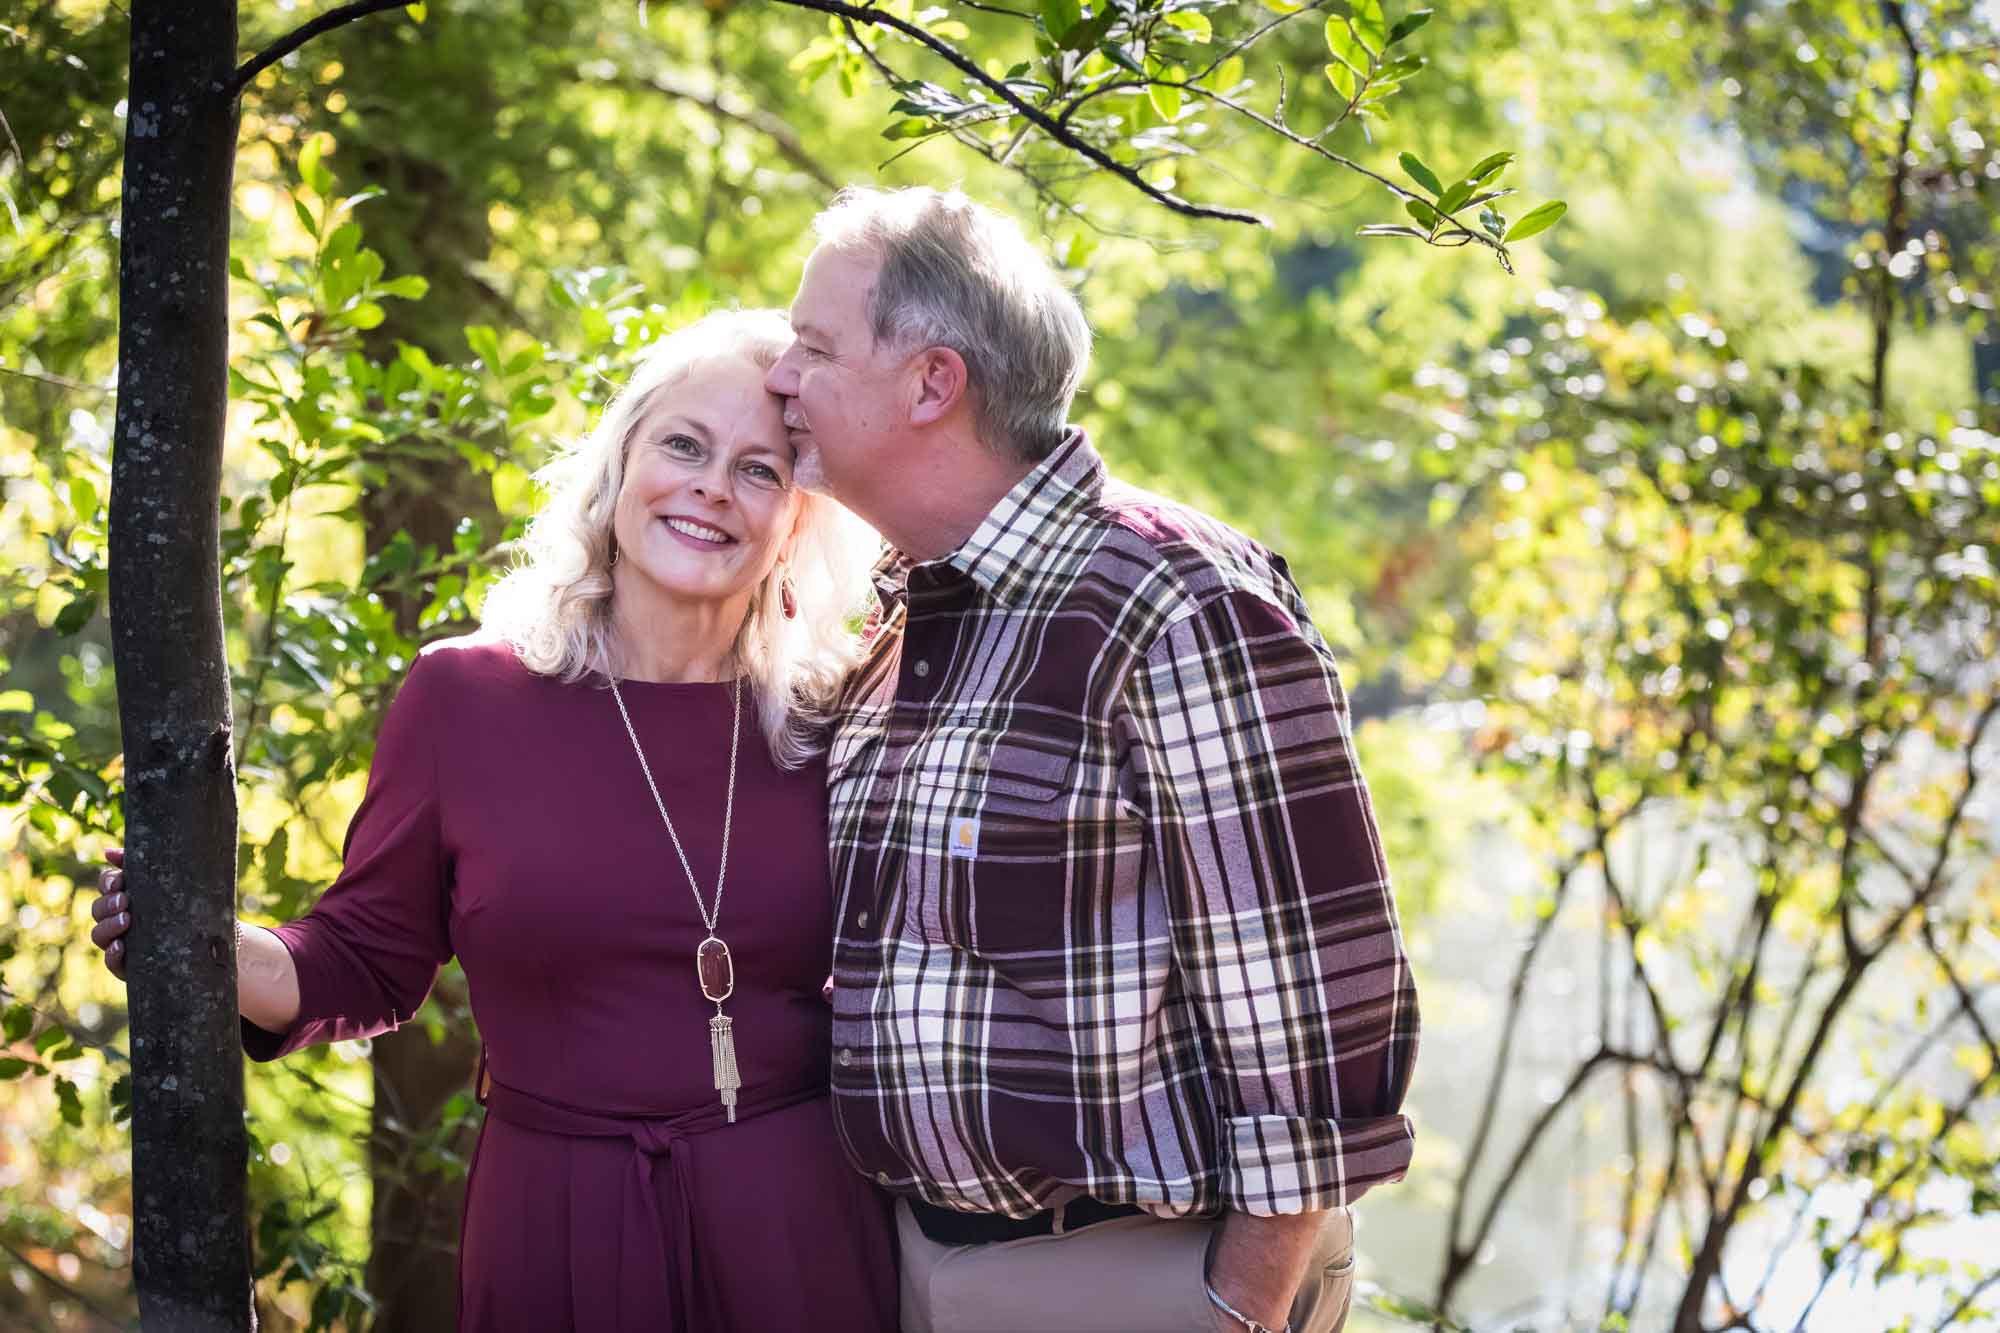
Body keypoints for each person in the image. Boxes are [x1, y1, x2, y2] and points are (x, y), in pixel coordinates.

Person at [88, 309, 898, 1332]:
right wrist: (198, 941)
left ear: (796, 520)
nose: (708, 485)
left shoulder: (845, 713)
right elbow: (364, 958)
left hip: (798, 1221)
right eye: (683, 446)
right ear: (617, 470)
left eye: (758, 468)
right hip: (558, 1218)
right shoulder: (466, 699)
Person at [761, 187, 1420, 1333]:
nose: (779, 376)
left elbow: (1309, 1017)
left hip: (1126, 1276)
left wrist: (1230, 1308)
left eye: (814, 348)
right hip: (907, 1260)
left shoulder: (1174, 603)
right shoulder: (903, 614)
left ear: (930, 382)